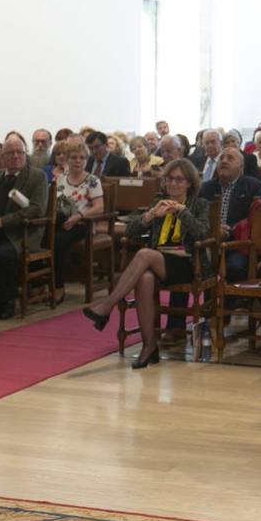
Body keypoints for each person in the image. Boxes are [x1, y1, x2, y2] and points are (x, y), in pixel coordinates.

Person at [81, 158, 209, 369]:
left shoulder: (199, 204)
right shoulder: (158, 201)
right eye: (169, 179)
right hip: (158, 260)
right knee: (145, 279)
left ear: (189, 183)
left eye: (179, 179)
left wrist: (182, 212)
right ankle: (149, 347)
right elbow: (130, 231)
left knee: (144, 254)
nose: (173, 184)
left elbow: (201, 233)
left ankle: (107, 305)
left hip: (187, 264)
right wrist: (150, 215)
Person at [0, 136, 47, 319]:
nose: (16, 156)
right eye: (11, 153)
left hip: (21, 233)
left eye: (20, 152)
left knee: (2, 257)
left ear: (26, 154)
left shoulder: (36, 176)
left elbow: (37, 208)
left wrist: (3, 221)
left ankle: (8, 301)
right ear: (3, 157)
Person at [199, 147, 261, 283]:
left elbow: (257, 219)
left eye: (230, 158)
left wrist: (230, 229)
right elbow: (199, 215)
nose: (224, 161)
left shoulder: (253, 186)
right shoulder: (206, 187)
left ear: (241, 166)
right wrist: (213, 229)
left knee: (234, 268)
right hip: (209, 242)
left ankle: (230, 303)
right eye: (221, 158)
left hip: (238, 245)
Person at [51, 138, 105, 303]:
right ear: (67, 159)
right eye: (74, 157)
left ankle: (59, 286)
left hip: (83, 224)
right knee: (43, 236)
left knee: (58, 240)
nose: (78, 161)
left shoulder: (93, 181)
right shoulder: (59, 179)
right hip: (60, 221)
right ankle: (39, 285)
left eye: (82, 158)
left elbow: (99, 207)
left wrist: (78, 216)